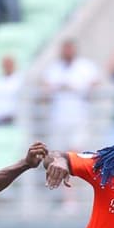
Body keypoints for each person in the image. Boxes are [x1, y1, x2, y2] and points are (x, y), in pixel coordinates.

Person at [40, 39, 99, 212]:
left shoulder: (85, 67)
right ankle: (65, 198)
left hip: (79, 119)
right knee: (58, 159)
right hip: (58, 121)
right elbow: (44, 89)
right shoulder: (54, 69)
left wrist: (75, 88)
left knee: (75, 157)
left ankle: (72, 200)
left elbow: (95, 85)